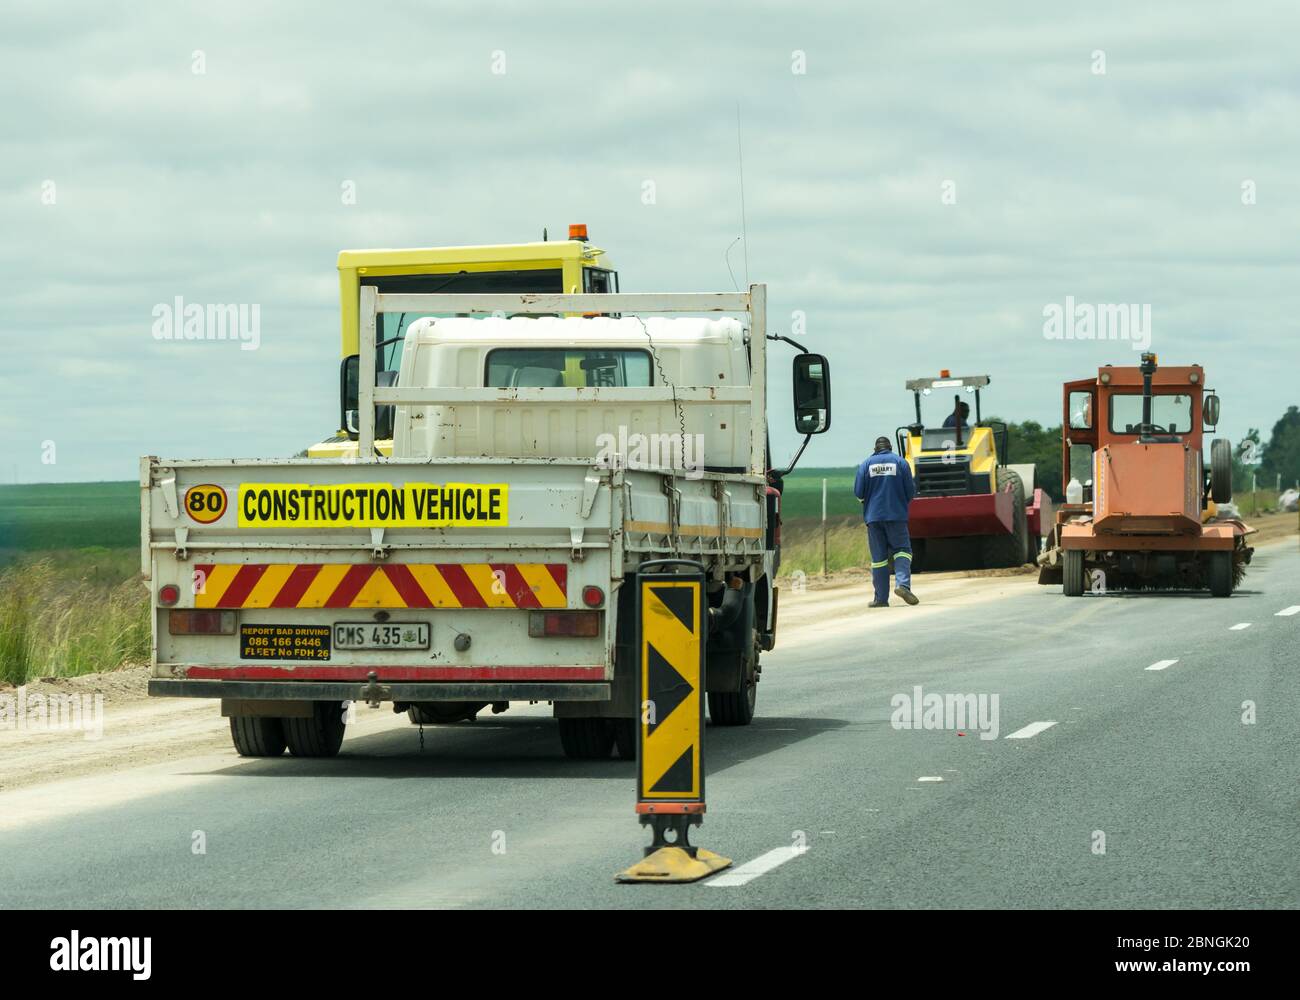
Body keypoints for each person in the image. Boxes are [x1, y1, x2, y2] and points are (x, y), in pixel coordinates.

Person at [853, 436, 919, 607]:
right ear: (890, 448)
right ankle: (902, 585)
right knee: (902, 550)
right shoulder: (901, 463)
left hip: (873, 518)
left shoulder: (866, 465)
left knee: (879, 559)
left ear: (875, 449)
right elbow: (910, 492)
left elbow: (859, 493)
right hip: (896, 515)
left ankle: (881, 599)